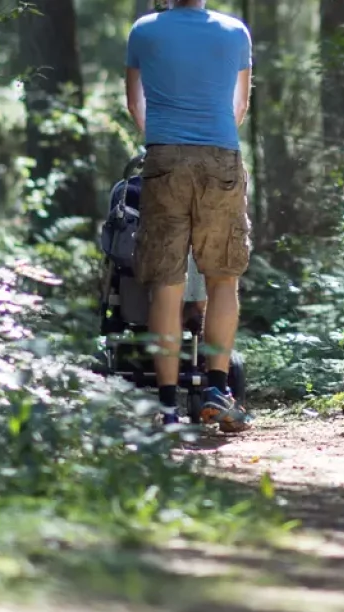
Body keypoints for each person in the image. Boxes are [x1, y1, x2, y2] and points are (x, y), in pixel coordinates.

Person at [125, 0, 254, 433]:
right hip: (220, 155)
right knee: (222, 276)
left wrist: (165, 140)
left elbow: (134, 105)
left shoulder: (144, 30)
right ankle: (217, 391)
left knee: (166, 281)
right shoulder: (235, 31)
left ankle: (166, 407)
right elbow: (240, 107)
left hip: (164, 157)